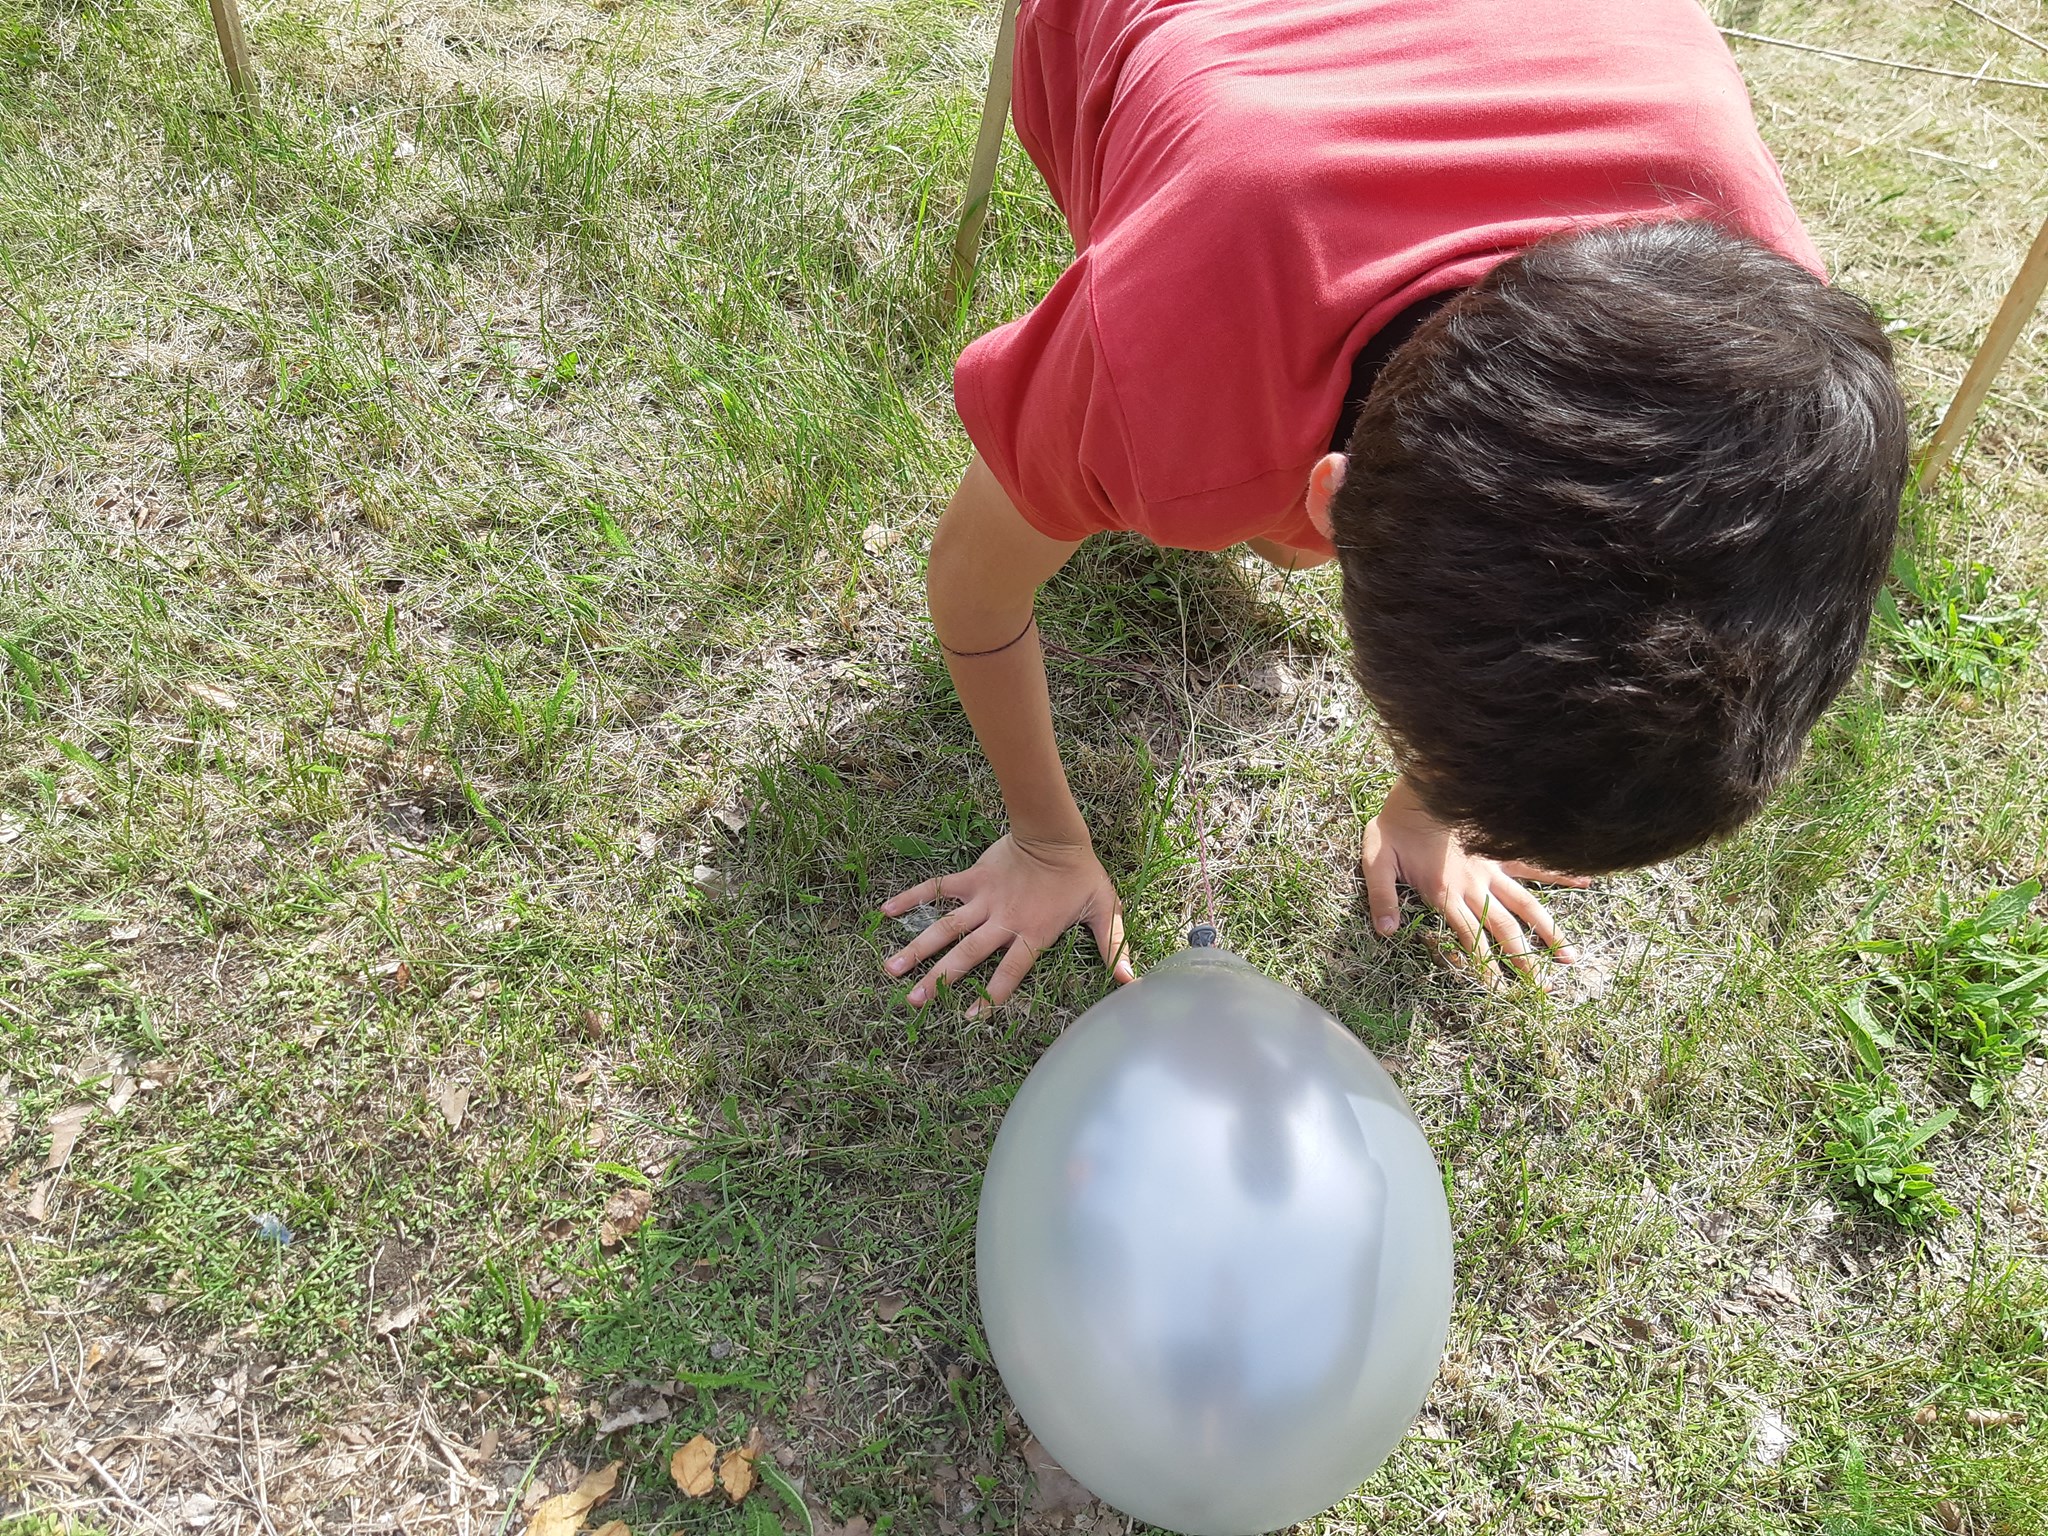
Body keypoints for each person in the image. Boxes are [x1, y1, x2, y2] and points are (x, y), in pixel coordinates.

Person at [880, 0, 1908, 1011]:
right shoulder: (1159, 371)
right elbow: (975, 584)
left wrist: (1438, 805)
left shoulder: (1780, 374)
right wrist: (1045, 843)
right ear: (1320, 498)